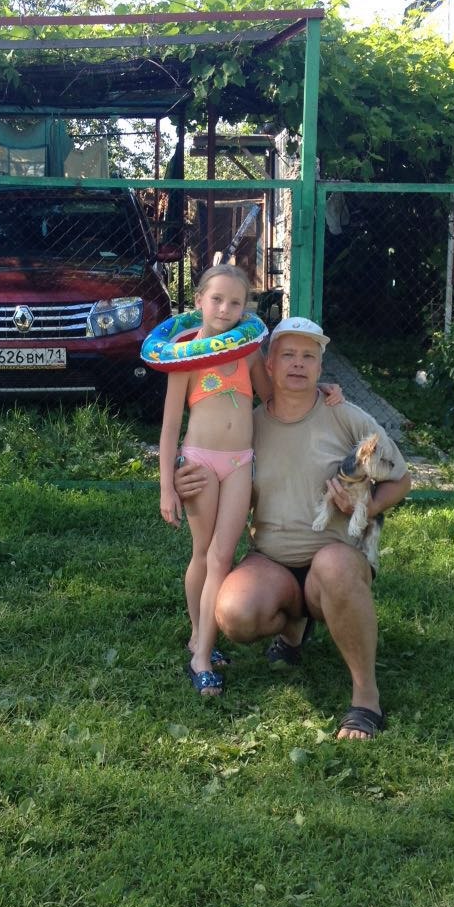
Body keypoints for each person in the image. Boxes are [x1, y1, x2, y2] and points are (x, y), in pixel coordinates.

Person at [174, 315, 412, 739]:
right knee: (235, 613)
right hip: (272, 558)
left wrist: (368, 507)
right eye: (288, 355)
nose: (298, 365)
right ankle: (294, 627)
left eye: (309, 356)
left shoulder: (347, 416)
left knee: (335, 569)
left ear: (321, 368)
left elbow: (402, 478)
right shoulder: (249, 425)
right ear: (269, 366)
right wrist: (186, 477)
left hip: (334, 554)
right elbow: (220, 473)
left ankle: (365, 698)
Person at [157, 267, 342, 697]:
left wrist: (326, 389)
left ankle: (203, 643)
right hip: (200, 462)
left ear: (246, 308)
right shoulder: (185, 353)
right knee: (204, 553)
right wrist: (167, 485)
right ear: (199, 300)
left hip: (239, 463)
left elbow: (274, 396)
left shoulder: (245, 352)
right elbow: (168, 429)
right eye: (217, 299)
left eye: (235, 302)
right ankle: (200, 650)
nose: (225, 309)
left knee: (224, 555)